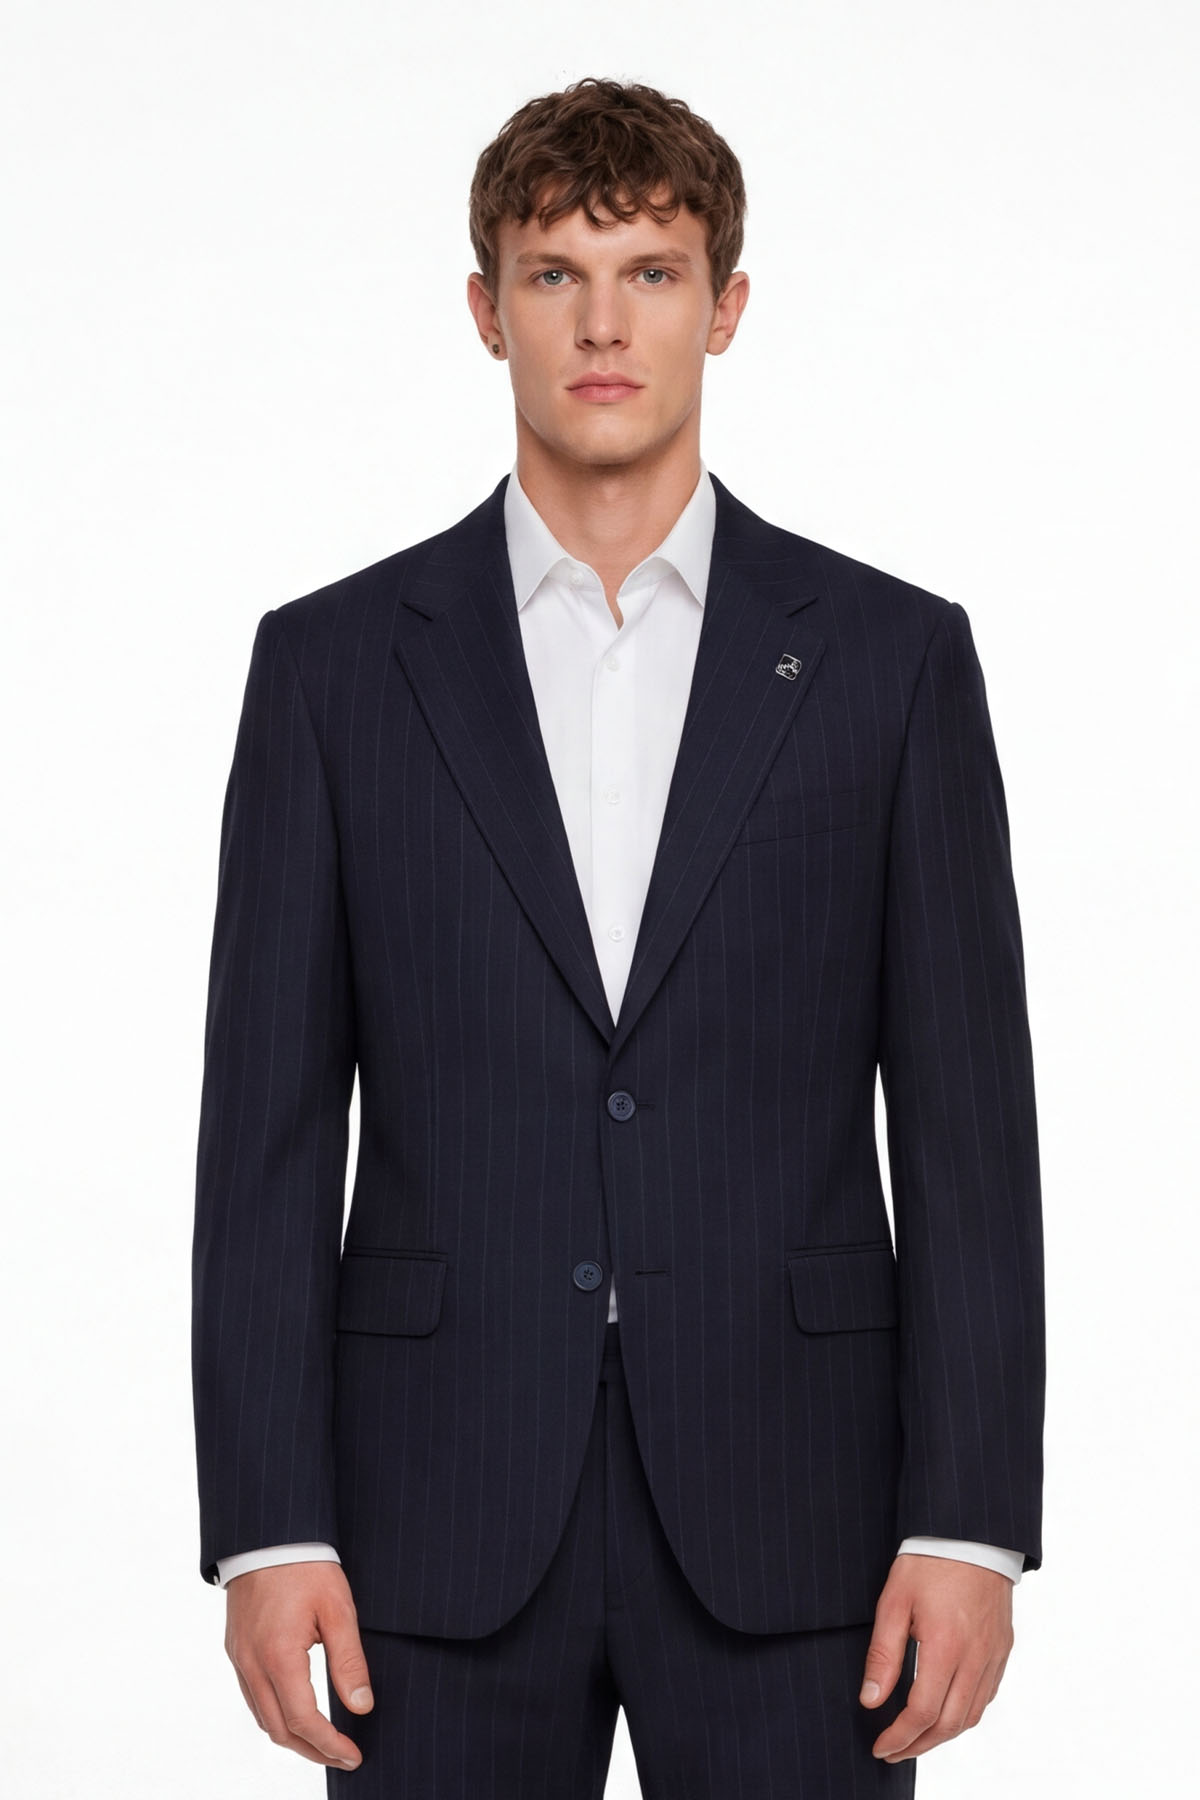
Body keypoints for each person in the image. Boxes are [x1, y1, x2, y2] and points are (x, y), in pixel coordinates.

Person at [191, 75, 1045, 1798]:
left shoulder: (890, 662)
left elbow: (968, 1123)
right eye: (554, 274)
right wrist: (268, 1525)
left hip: (802, 1509)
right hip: (430, 1514)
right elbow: (266, 1134)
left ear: (725, 307)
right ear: (485, 308)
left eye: (651, 272)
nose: (602, 323)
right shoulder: (333, 670)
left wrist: (970, 1519)